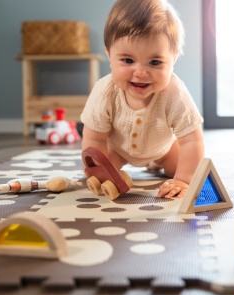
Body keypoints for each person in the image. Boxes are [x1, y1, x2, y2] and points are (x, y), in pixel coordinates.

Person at [81, 0, 204, 199]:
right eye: (128, 60)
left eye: (155, 62)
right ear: (109, 53)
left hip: (163, 149)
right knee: (101, 169)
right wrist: (100, 172)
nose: (140, 73)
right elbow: (95, 138)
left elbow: (192, 140)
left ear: (173, 59)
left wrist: (184, 180)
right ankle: (126, 167)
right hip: (117, 150)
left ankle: (156, 163)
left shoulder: (174, 93)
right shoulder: (105, 91)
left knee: (178, 168)